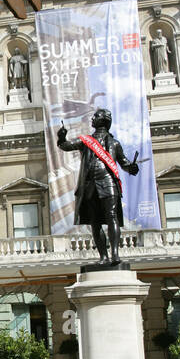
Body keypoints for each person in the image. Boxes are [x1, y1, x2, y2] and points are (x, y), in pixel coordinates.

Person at [56, 107, 139, 266]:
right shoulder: (85, 141)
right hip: (89, 183)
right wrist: (61, 136)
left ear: (104, 120)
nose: (93, 118)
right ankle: (103, 256)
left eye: (96, 116)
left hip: (108, 181)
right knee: (95, 221)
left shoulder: (114, 143)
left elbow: (124, 163)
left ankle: (115, 254)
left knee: (111, 216)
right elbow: (66, 145)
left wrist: (132, 168)